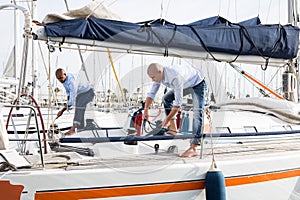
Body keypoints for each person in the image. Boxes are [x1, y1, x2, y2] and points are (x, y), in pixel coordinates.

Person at [143, 63, 207, 157]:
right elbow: (152, 93)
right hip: (185, 84)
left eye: (153, 77)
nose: (152, 80)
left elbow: (178, 103)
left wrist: (167, 119)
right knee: (166, 98)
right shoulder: (158, 76)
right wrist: (146, 110)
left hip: (197, 83)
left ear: (160, 72)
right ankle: (173, 128)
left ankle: (194, 147)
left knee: (197, 112)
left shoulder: (175, 76)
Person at [55, 68, 95, 135]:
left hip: (89, 92)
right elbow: (68, 92)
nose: (60, 80)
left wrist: (62, 110)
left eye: (61, 78)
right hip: (81, 93)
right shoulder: (64, 81)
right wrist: (67, 102)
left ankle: (73, 129)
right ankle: (80, 128)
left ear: (65, 74)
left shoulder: (71, 81)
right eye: (58, 78)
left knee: (79, 105)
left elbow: (72, 98)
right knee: (79, 107)